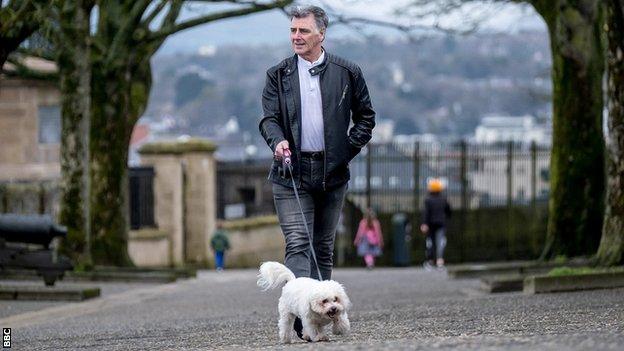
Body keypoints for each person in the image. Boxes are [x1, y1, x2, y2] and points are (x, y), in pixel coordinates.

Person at [259, 4, 375, 338]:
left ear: (321, 34)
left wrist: (345, 152)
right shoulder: (277, 75)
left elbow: (366, 117)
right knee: (298, 242)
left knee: (322, 246)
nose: (296, 36)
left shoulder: (347, 71)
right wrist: (277, 141)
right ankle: (300, 317)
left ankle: (321, 313)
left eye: (303, 31)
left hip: (332, 171)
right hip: (290, 171)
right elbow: (268, 118)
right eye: (293, 30)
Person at [420, 178, 451, 270]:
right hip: (441, 224)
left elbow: (426, 213)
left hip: (431, 224)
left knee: (431, 243)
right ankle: (440, 261)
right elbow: (449, 211)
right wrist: (446, 219)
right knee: (440, 242)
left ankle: (430, 261)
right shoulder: (444, 199)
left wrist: (424, 224)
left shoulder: (428, 200)